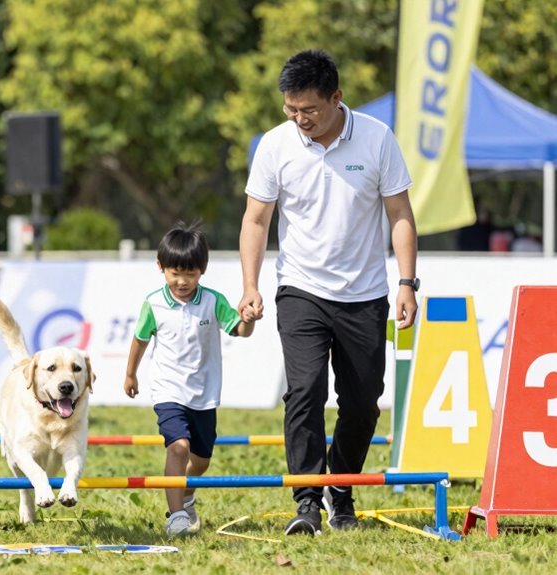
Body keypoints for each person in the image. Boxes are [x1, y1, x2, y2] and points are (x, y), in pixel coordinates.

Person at [238, 49, 418, 535]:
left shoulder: (378, 139)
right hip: (301, 289)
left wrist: (406, 283)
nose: (299, 119)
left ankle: (341, 488)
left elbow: (400, 215)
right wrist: (250, 285)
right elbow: (257, 219)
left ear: (337, 98)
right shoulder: (276, 146)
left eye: (309, 111)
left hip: (365, 293)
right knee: (305, 390)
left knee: (363, 402)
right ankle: (306, 501)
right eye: (291, 109)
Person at [123, 222, 255, 537]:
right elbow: (140, 340)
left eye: (191, 274)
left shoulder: (213, 301)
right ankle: (177, 516)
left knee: (201, 459)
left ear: (203, 270)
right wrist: (130, 374)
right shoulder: (153, 304)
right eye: (175, 273)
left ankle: (186, 492)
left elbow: (239, 330)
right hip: (168, 389)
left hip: (204, 393)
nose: (182, 281)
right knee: (178, 447)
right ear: (160, 267)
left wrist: (249, 321)